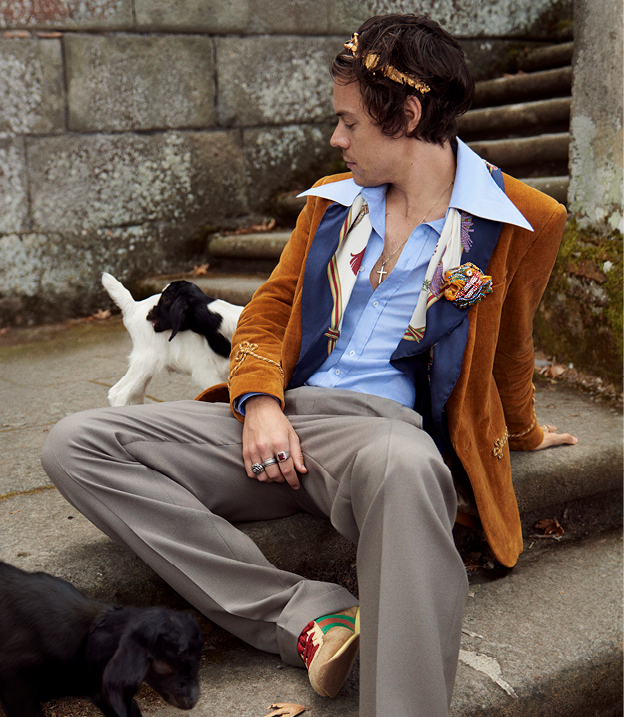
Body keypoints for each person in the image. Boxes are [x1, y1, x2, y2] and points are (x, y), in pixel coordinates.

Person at [41, 14, 577, 717]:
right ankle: (308, 613)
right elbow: (268, 311)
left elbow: (512, 349)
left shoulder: (524, 218)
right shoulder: (331, 202)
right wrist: (260, 402)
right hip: (277, 420)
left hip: (382, 437)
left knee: (408, 467)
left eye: (349, 123)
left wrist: (527, 432)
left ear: (408, 115)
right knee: (77, 444)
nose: (336, 139)